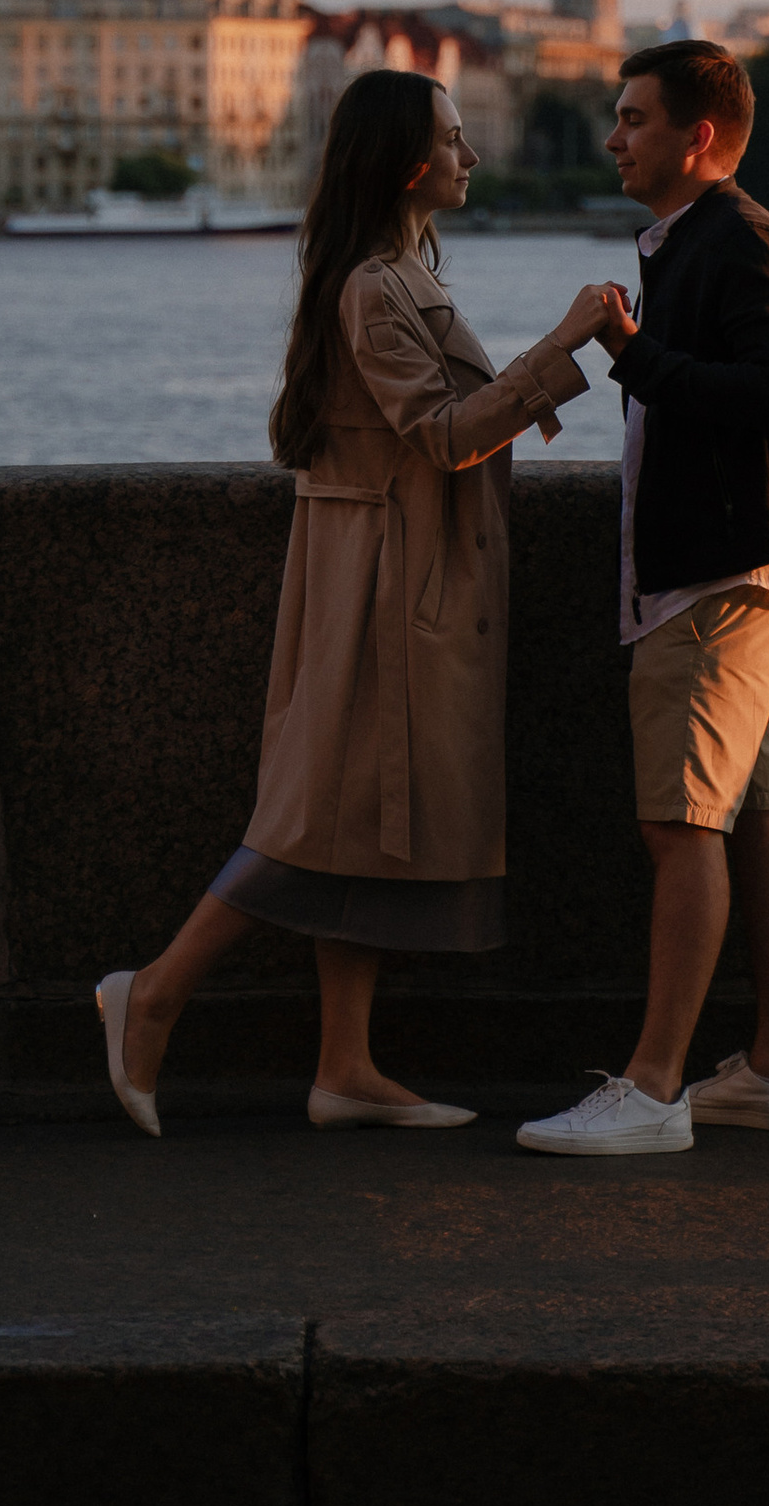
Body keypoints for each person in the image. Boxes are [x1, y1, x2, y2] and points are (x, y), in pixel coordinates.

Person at [97, 69, 608, 1136]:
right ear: (408, 162)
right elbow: (446, 436)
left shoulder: (394, 275)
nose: (471, 157)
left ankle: (344, 1067)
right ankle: (151, 994)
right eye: (455, 140)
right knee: (314, 817)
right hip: (383, 585)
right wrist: (562, 346)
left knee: (365, 824)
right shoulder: (377, 288)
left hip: (393, 569)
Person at [518, 39, 769, 1161]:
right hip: (748, 567)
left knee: (681, 822)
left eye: (632, 119)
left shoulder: (735, 239)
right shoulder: (705, 239)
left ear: (697, 137)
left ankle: (653, 1091)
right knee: (760, 812)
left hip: (718, 579)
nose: (613, 138)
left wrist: (632, 352)